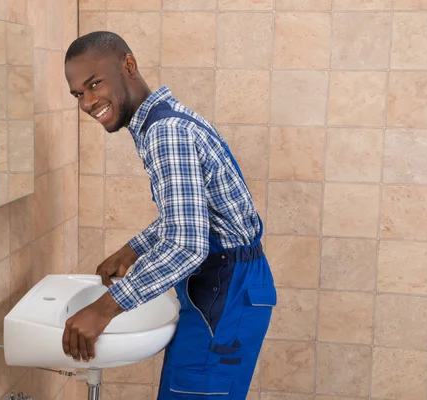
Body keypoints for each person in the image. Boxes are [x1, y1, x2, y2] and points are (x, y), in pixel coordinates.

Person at [62, 31, 277, 398]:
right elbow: (194, 213)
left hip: (224, 296)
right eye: (79, 93)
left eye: (94, 83)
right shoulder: (167, 120)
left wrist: (104, 309)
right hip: (227, 290)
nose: (87, 102)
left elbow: (185, 246)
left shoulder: (165, 132)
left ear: (128, 65)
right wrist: (132, 250)